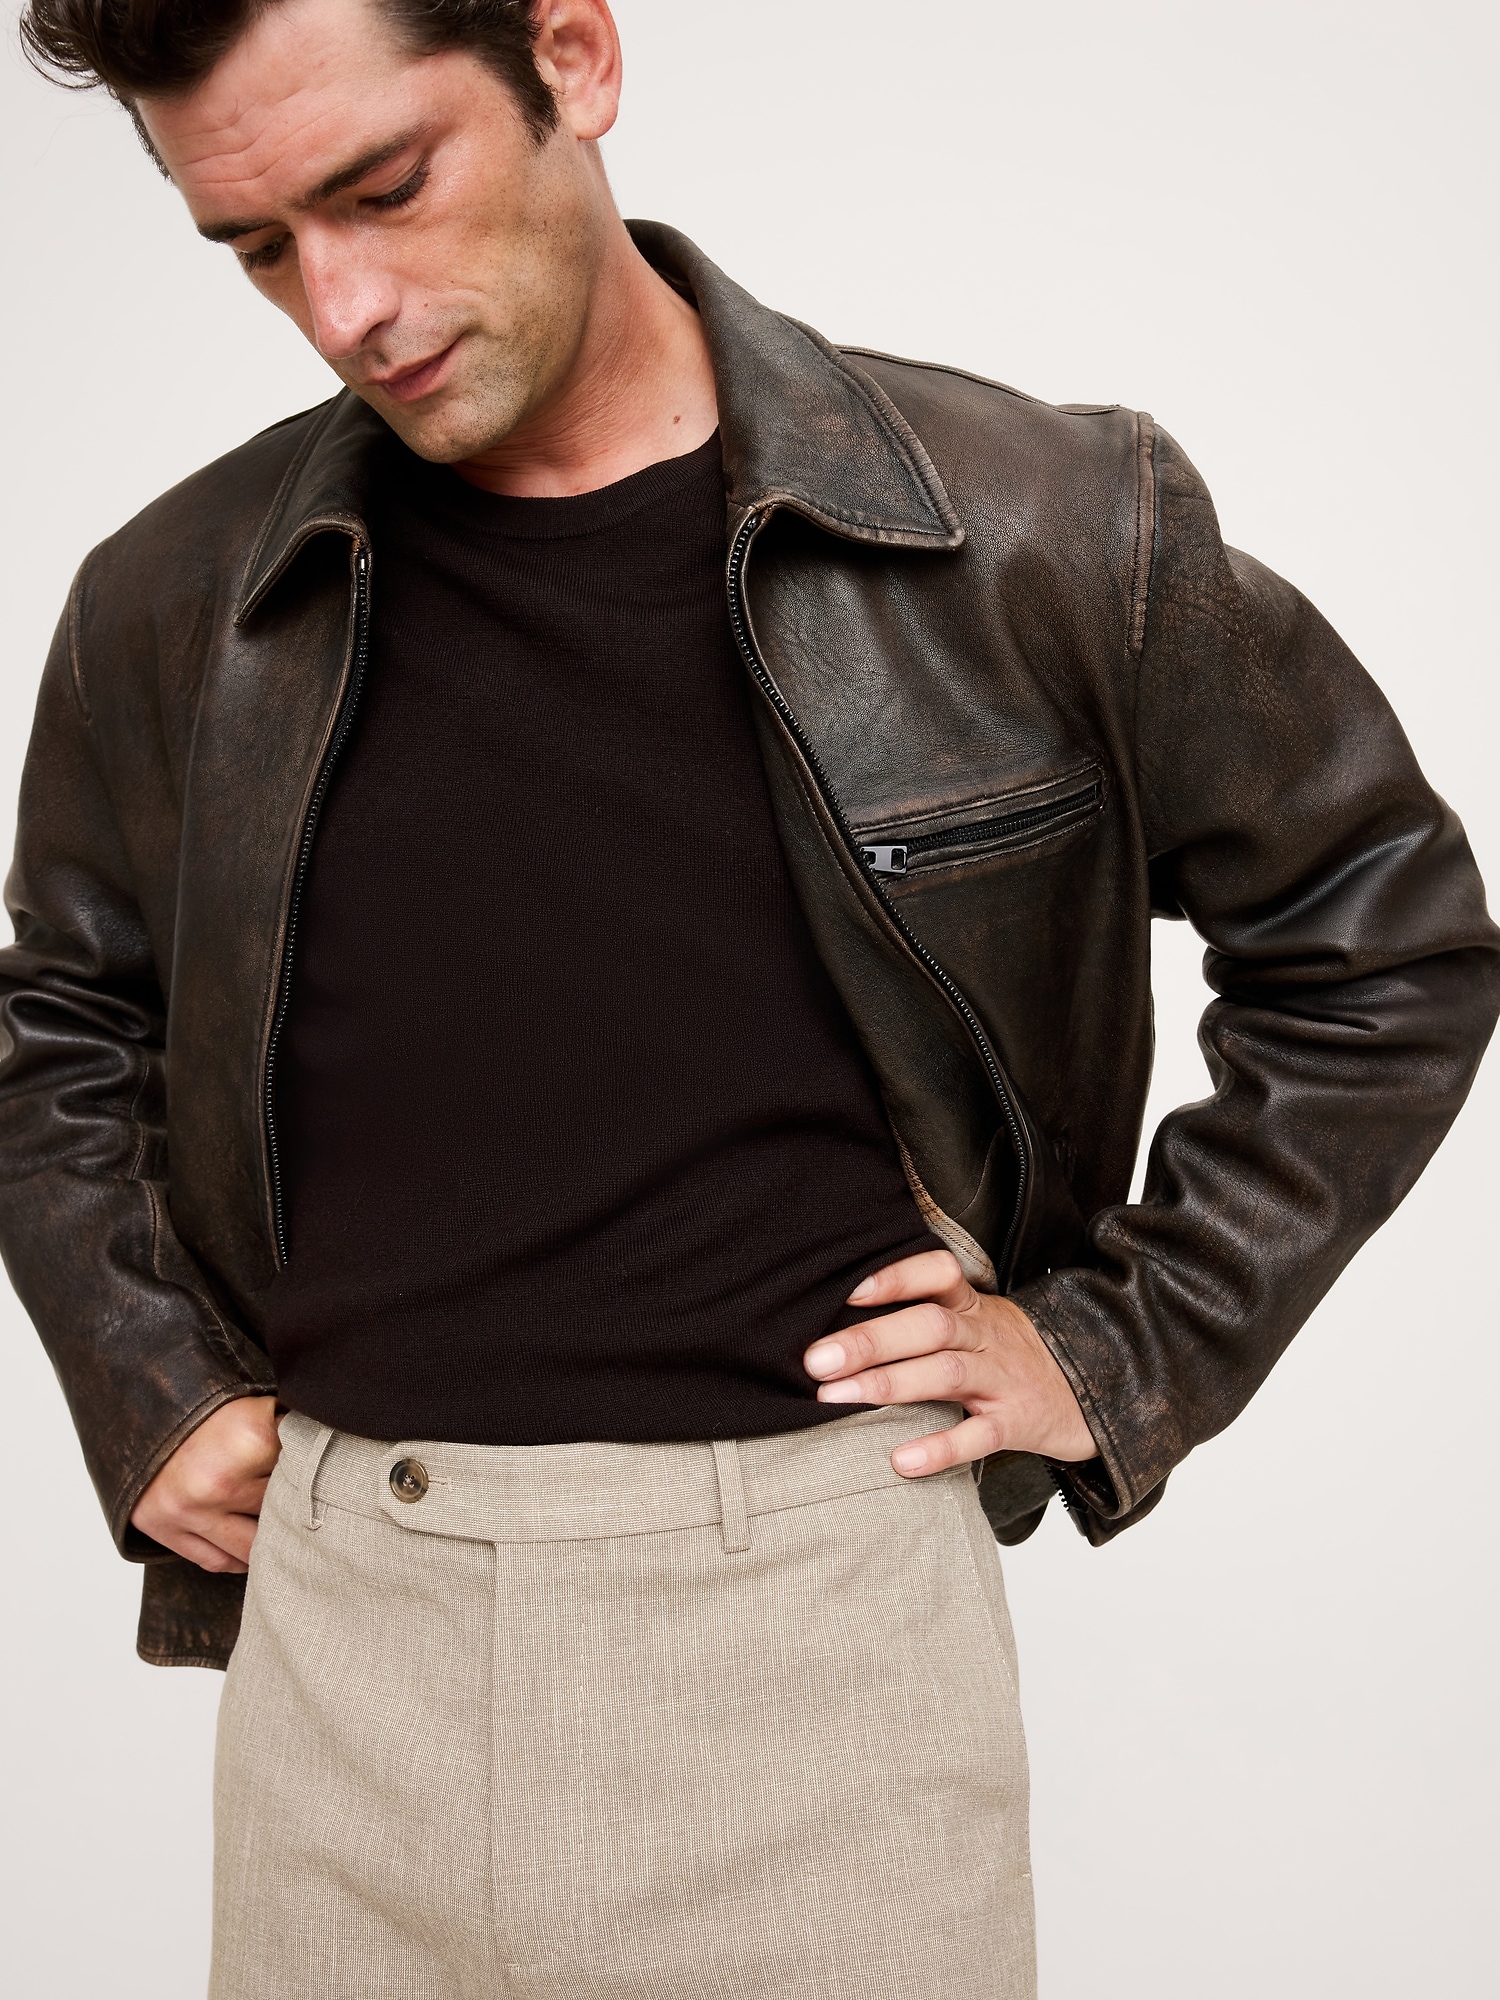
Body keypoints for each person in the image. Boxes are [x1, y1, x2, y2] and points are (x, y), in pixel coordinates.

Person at [3, 0, 1495, 1992]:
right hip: (341, 1654)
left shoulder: (1037, 526)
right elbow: (57, 1022)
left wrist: (1128, 1346)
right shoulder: (175, 602)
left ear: (573, 56)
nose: (342, 306)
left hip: (817, 1638)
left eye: (384, 186)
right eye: (260, 247)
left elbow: (1383, 930)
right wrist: (144, 1380)